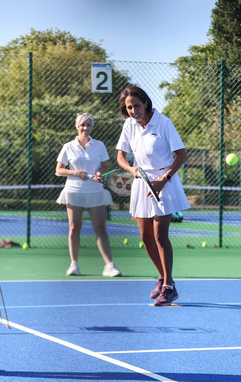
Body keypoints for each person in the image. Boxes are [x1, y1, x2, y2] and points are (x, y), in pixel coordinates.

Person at [115, 86, 190, 306]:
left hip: (164, 182)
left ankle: (168, 287)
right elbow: (121, 156)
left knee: (159, 235)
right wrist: (132, 170)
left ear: (146, 103)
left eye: (136, 105)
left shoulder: (163, 122)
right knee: (145, 238)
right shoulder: (129, 125)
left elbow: (181, 155)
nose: (133, 110)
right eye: (129, 107)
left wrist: (163, 181)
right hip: (141, 183)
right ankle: (164, 278)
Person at [56, 113, 121, 277]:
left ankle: (109, 266)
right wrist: (75, 172)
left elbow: (106, 166)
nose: (85, 128)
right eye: (82, 125)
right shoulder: (68, 146)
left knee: (100, 228)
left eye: (88, 125)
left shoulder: (99, 145)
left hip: (95, 190)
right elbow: (59, 170)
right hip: (74, 190)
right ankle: (74, 265)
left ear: (92, 127)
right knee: (73, 228)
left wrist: (100, 172)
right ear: (77, 127)